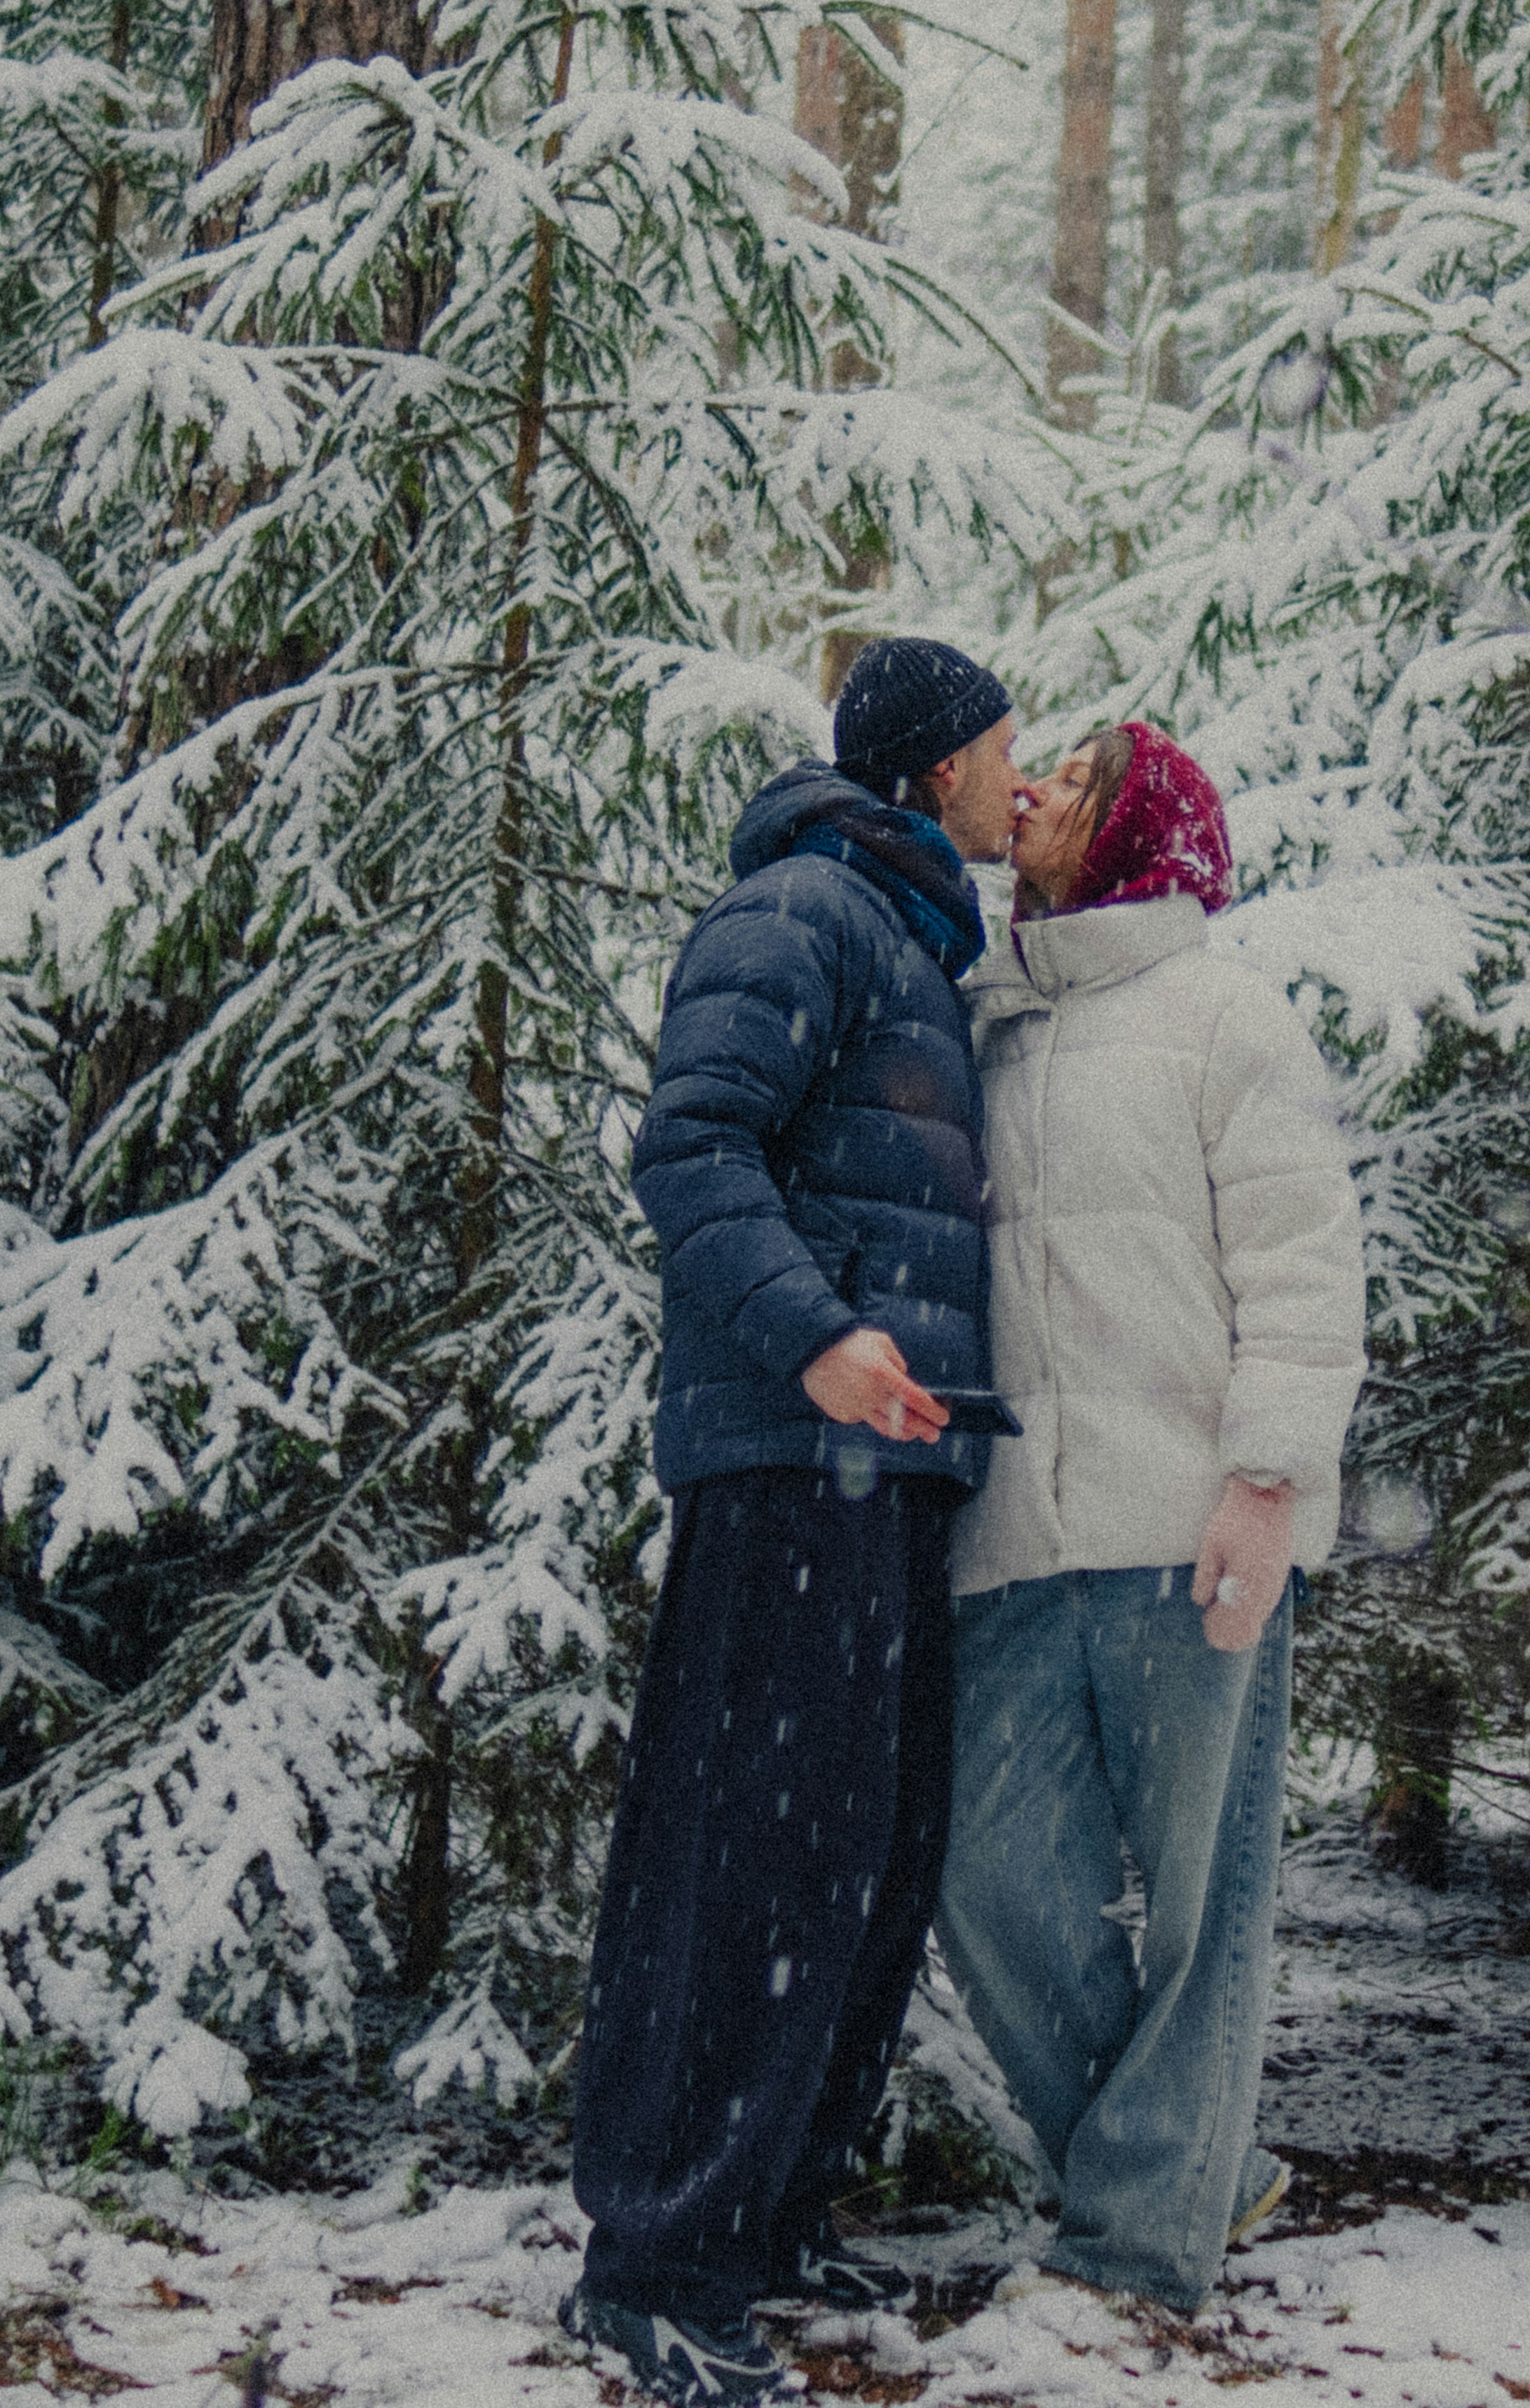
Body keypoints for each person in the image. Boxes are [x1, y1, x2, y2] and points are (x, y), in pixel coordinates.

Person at [565, 639, 1027, 2406]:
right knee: (745, 1863)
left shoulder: (911, 942)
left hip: (889, 1471)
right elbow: (693, 1150)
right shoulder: (805, 911)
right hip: (789, 1458)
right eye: (1000, 749)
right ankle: (653, 2263)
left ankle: (759, 2224)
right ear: (925, 769)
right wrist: (824, 1341)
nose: (1016, 779)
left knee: (860, 1860)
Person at [941, 721, 1365, 2318]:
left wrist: (1269, 1485)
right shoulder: (985, 1018)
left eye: (1074, 778)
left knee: (1205, 1900)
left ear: (1137, 832)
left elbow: (1308, 1271)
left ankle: (1134, 2264)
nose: (1029, 788)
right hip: (1009, 1544)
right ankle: (1194, 2163)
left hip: (1194, 1534)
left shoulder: (1224, 1014)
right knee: (980, 1875)